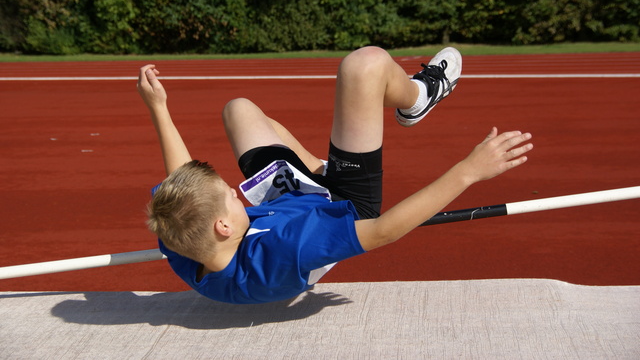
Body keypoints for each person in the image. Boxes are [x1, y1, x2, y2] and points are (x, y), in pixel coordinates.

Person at [137, 46, 533, 304]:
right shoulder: (288, 249)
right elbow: (384, 231)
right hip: (341, 203)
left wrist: (158, 106)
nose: (237, 192)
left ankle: (320, 166)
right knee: (365, 65)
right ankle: (419, 97)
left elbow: (181, 180)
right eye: (231, 196)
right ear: (223, 225)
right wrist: (468, 171)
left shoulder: (180, 240)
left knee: (238, 109)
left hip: (289, 201)